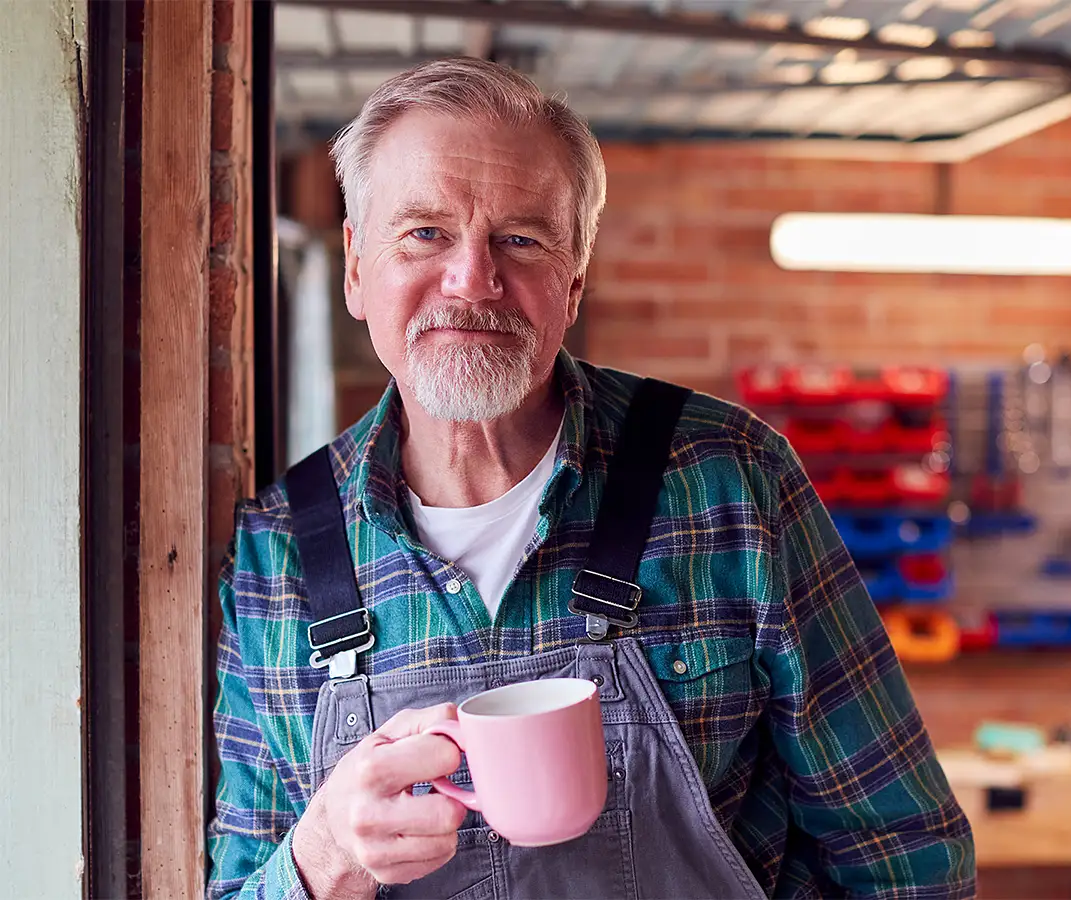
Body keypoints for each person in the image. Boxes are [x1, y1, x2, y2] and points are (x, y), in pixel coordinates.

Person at [206, 57, 975, 900]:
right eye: (424, 232)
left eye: (521, 239)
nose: (472, 279)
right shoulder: (277, 552)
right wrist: (321, 855)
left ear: (573, 278)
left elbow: (905, 860)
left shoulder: (730, 481)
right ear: (356, 266)